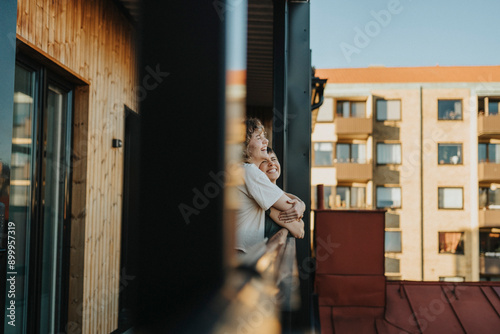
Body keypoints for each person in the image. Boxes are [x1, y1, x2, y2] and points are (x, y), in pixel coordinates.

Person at [236, 118, 305, 254]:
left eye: (264, 137)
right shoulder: (250, 171)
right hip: (241, 254)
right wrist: (298, 205)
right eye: (258, 137)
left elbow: (283, 198)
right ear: (244, 144)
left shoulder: (242, 170)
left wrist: (301, 204)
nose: (266, 141)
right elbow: (293, 212)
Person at [259, 147, 305, 239]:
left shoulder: (277, 194)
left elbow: (284, 194)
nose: (271, 163)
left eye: (273, 159)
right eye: (264, 161)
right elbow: (299, 231)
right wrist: (300, 207)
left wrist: (301, 204)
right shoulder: (260, 193)